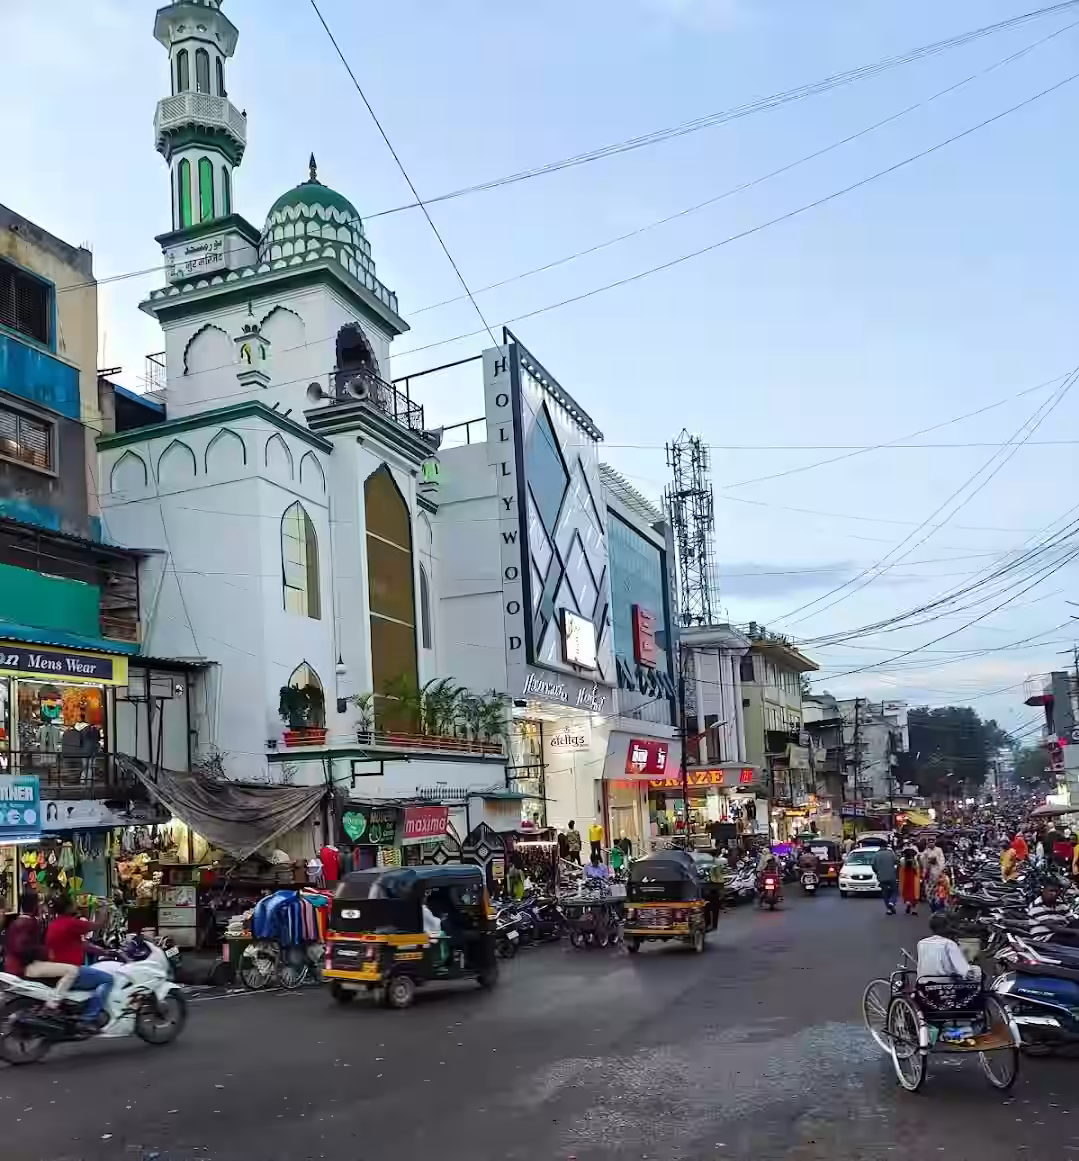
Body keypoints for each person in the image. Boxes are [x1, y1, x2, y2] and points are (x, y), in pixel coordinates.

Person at [44, 896, 113, 1028]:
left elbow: (82, 945)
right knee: (108, 979)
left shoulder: (55, 924)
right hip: (73, 971)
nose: (77, 905)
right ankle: (89, 1016)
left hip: (59, 970)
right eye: (74, 903)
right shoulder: (71, 923)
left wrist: (105, 952)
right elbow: (97, 925)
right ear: (69, 907)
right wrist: (104, 908)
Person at [917, 911, 980, 981]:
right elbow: (963, 969)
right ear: (947, 928)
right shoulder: (949, 944)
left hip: (922, 981)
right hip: (944, 982)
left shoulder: (921, 943)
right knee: (977, 970)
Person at [872, 844, 900, 915]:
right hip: (892, 876)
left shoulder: (876, 855)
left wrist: (877, 872)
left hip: (881, 877)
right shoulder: (890, 853)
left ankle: (889, 909)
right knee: (895, 891)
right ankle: (892, 902)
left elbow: (873, 866)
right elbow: (897, 862)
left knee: (885, 893)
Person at [898, 845, 921, 916]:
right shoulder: (915, 862)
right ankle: (914, 909)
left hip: (905, 880)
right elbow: (918, 869)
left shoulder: (902, 860)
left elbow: (899, 869)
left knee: (906, 892)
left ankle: (908, 902)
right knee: (914, 893)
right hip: (914, 880)